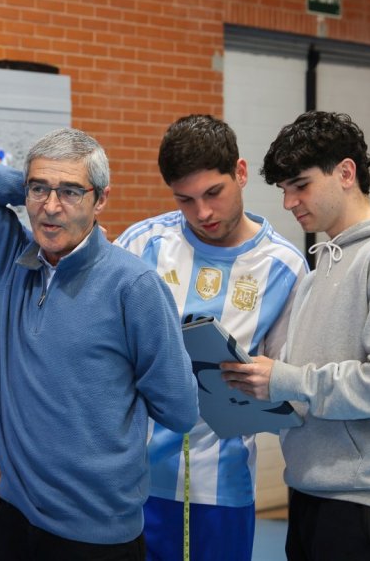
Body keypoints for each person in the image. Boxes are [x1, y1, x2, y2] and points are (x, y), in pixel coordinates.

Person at [0, 128, 199, 560]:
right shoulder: (12, 262)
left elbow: (180, 409)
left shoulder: (133, 286)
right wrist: (34, 185)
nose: (50, 207)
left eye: (70, 192)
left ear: (100, 199)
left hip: (95, 533)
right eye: (39, 190)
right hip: (16, 517)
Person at [221, 111, 370, 561]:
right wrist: (251, 389)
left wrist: (287, 380)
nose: (289, 202)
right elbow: (307, 385)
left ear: (346, 173)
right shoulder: (318, 272)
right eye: (284, 190)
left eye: (300, 184)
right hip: (312, 492)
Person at [114, 114, 307, 561]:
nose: (202, 213)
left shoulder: (285, 267)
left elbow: (287, 386)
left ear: (240, 173)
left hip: (221, 489)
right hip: (133, 482)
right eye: (185, 200)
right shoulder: (142, 245)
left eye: (213, 194)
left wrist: (262, 384)